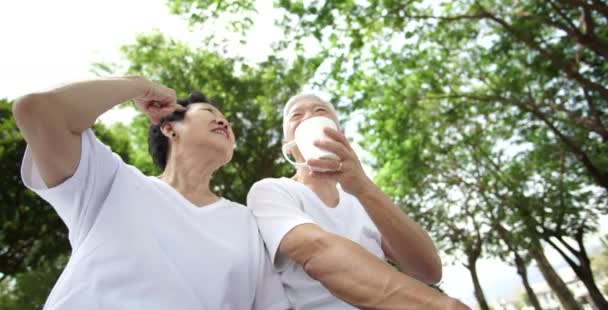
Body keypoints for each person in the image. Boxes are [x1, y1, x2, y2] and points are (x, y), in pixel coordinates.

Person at [13, 76, 290, 310]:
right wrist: (139, 85)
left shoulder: (249, 225)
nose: (224, 122)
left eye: (227, 121)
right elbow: (36, 111)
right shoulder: (111, 182)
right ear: (169, 127)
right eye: (210, 113)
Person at [247, 93, 469, 309]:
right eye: (297, 116)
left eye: (319, 111)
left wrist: (363, 187)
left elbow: (428, 270)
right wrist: (439, 306)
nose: (309, 118)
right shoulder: (272, 191)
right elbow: (319, 252)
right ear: (287, 142)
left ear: (340, 134)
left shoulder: (365, 198)